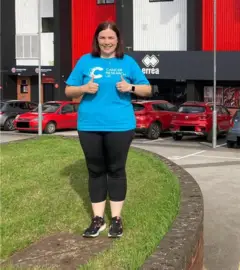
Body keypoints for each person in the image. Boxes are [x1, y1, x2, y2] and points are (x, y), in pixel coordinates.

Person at [64, 21, 152, 238]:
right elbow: (68, 90)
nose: (106, 42)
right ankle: (97, 220)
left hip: (120, 126)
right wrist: (84, 88)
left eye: (110, 38)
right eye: (102, 38)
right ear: (97, 40)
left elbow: (147, 89)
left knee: (116, 170)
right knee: (95, 170)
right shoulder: (85, 61)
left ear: (117, 40)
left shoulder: (128, 62)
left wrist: (130, 87)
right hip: (89, 125)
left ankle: (117, 220)